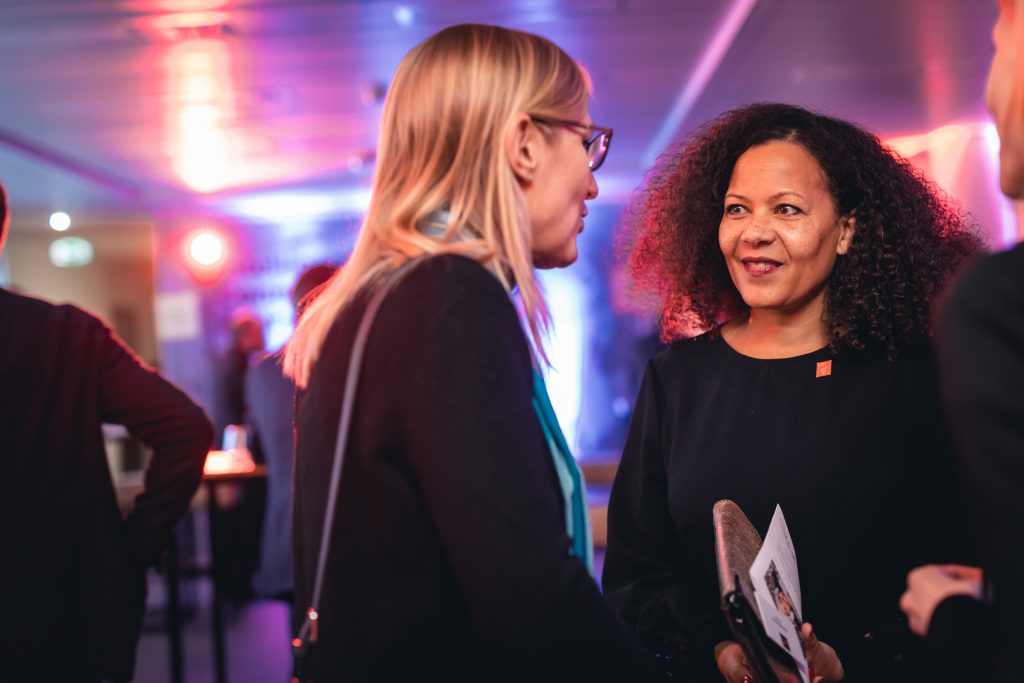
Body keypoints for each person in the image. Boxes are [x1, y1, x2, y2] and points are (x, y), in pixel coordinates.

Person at [283, 23, 658, 681]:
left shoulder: (380, 295)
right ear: (523, 146)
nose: (594, 183)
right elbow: (531, 599)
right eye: (586, 141)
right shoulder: (452, 301)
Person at [602, 102, 981, 682]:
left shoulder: (913, 379)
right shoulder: (677, 378)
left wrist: (849, 662)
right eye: (737, 210)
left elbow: (965, 569)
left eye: (787, 209)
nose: (755, 233)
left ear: (848, 230)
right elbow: (637, 578)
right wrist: (717, 651)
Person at [0, 181, 213, 682]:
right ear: (3, 230)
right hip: (66, 608)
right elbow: (185, 428)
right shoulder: (64, 335)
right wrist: (134, 545)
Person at [899, 1, 1024, 680]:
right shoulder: (677, 376)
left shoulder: (996, 308)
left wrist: (955, 621)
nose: (990, 88)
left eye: (1001, 43)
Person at [247, 263, 336, 601]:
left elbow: (257, 448)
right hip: (340, 536)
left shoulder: (261, 374)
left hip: (285, 530)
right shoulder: (345, 364)